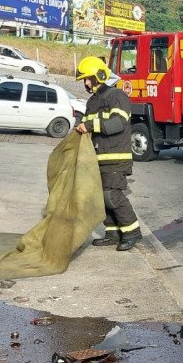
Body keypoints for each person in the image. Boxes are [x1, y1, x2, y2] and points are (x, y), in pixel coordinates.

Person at [74, 56, 143, 252]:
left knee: (112, 195)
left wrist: (89, 125)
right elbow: (87, 126)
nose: (86, 83)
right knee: (103, 198)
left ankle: (132, 233)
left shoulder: (117, 96)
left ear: (99, 76)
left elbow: (117, 124)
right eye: (84, 80)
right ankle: (112, 233)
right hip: (98, 159)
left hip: (115, 158)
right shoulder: (92, 101)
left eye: (88, 78)